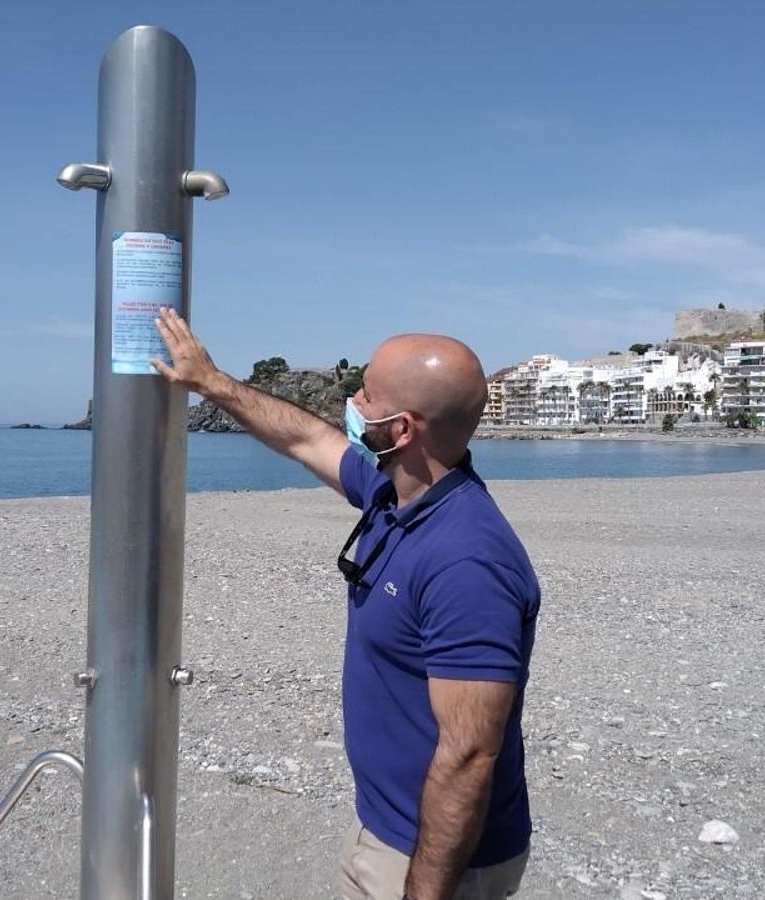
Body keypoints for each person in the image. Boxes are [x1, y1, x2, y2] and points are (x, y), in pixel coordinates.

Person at [152, 309, 540, 900]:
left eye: (365, 394)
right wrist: (212, 382)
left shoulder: (467, 562)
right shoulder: (397, 493)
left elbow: (469, 755)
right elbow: (307, 438)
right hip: (389, 830)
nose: (353, 403)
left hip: (438, 859)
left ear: (402, 428)